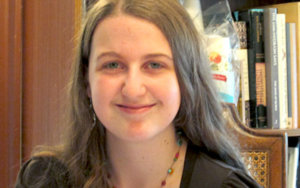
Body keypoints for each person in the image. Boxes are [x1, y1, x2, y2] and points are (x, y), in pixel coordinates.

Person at [15, 0, 262, 187]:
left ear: (186, 79)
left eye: (154, 65)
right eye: (113, 65)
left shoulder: (226, 185)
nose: (133, 89)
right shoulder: (44, 180)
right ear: (86, 81)